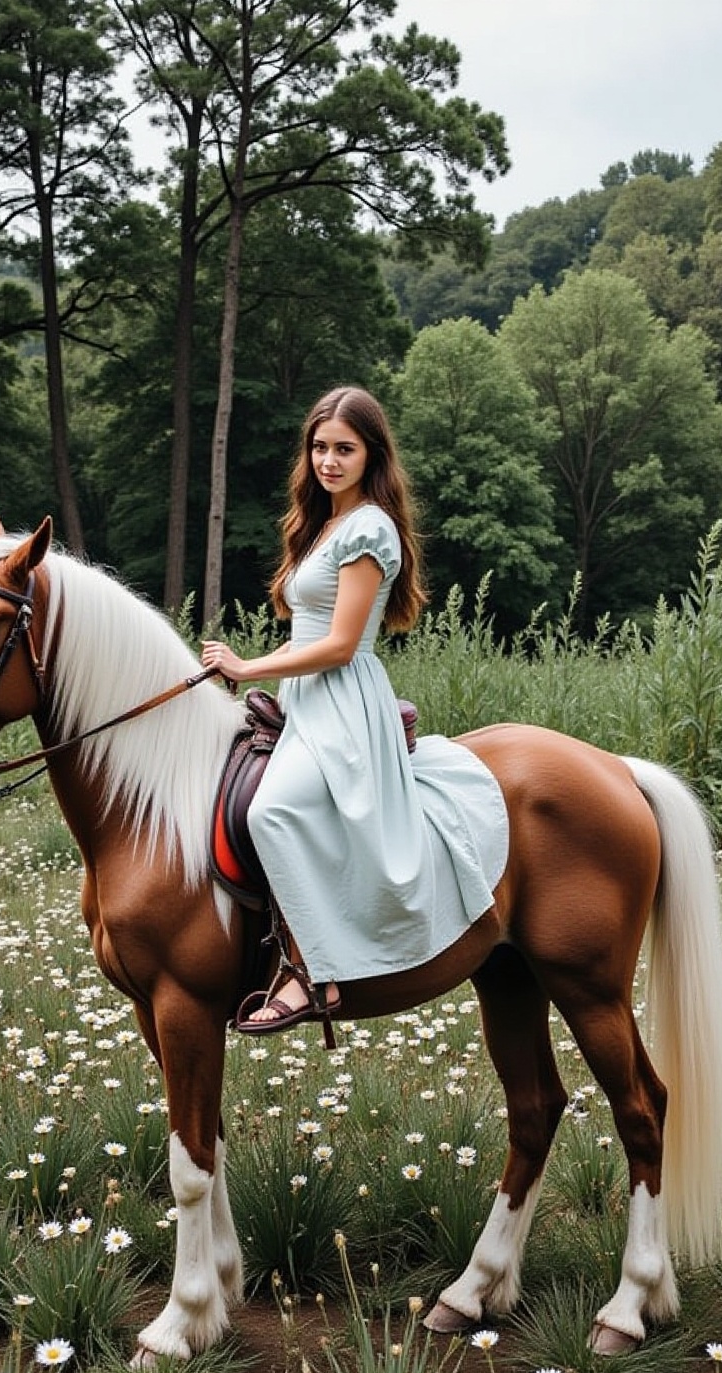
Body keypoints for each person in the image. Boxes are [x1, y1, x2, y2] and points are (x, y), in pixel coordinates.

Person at [200, 385, 508, 1031]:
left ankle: (313, 972)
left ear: (372, 455)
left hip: (342, 701)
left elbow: (340, 645)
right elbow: (307, 634)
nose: (329, 461)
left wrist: (249, 667)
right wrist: (239, 664)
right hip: (304, 696)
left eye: (345, 449)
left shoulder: (369, 527)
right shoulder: (321, 526)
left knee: (272, 810)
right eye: (320, 447)